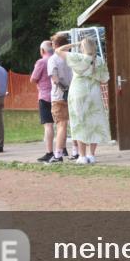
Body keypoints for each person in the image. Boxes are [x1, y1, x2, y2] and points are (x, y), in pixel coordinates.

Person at [55, 37, 110, 164]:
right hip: (94, 93)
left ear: (82, 47)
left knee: (80, 123)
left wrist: (75, 43)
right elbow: (104, 80)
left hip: (78, 93)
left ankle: (82, 156)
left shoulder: (78, 57)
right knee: (94, 122)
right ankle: (92, 155)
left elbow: (58, 50)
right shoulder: (100, 61)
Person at [48, 32, 74, 162]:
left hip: (59, 96)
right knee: (74, 123)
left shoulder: (53, 59)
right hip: (74, 93)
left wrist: (65, 89)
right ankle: (76, 151)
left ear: (56, 45)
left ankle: (58, 154)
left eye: (52, 43)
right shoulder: (71, 57)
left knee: (61, 124)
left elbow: (54, 78)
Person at [31, 41, 56, 162]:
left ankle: (49, 152)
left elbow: (33, 78)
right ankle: (64, 149)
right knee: (62, 123)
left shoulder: (41, 62)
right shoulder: (59, 59)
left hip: (45, 95)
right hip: (58, 94)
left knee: (48, 125)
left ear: (42, 51)